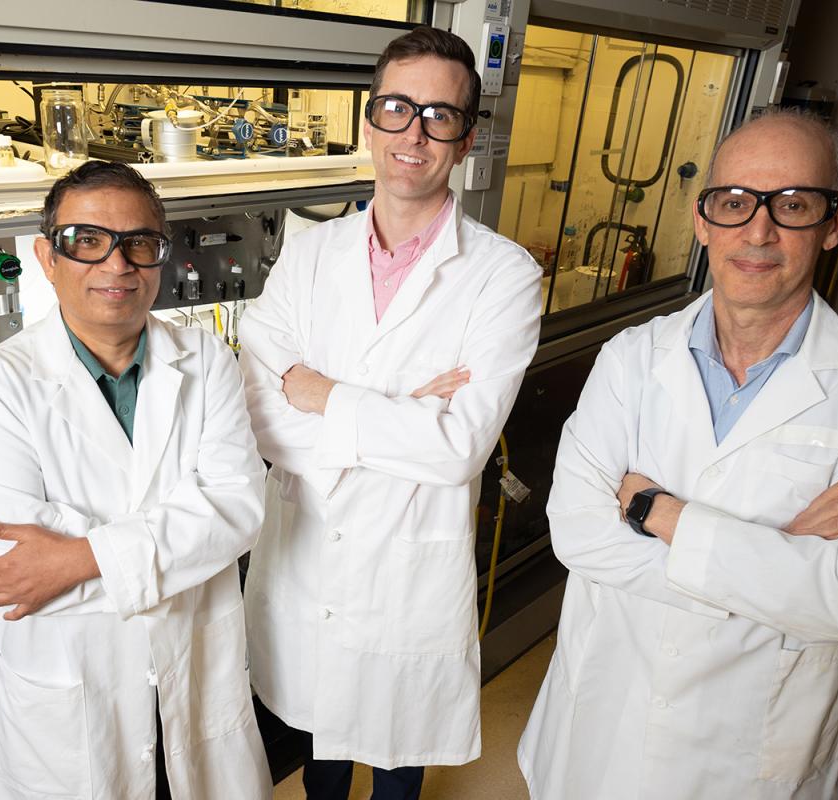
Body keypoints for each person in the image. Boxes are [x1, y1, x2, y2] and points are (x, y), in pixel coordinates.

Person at [518, 110, 838, 799]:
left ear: (837, 222)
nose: (758, 231)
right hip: (603, 720)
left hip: (751, 746)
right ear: (704, 218)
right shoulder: (631, 359)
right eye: (735, 202)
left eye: (793, 205)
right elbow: (579, 533)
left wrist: (660, 512)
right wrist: (778, 549)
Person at [238, 26, 543, 800]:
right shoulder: (310, 252)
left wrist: (320, 392)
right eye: (398, 108)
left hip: (409, 570)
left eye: (439, 116)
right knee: (321, 749)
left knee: (399, 755)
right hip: (309, 555)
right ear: (369, 120)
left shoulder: (504, 276)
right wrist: (400, 414)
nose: (415, 132)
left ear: (465, 138)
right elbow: (258, 412)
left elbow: (455, 451)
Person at [0, 161, 271, 800]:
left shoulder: (205, 357)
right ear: (47, 256)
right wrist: (179, 546)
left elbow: (237, 509)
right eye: (87, 241)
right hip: (72, 700)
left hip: (192, 673)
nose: (116, 265)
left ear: (161, 258)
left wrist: (78, 556)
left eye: (139, 244)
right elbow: (19, 573)